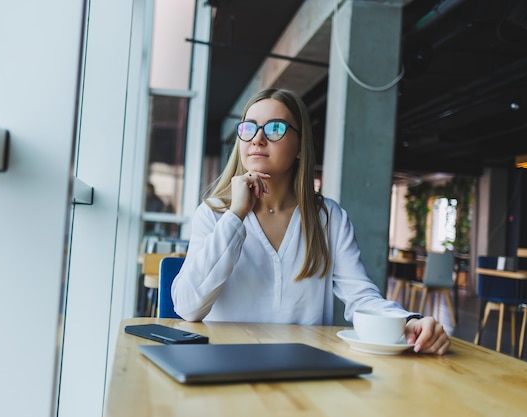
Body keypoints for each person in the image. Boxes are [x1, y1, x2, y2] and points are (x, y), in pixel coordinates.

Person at [171, 88, 450, 355]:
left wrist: (409, 322)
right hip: (225, 364)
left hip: (303, 369)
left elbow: (361, 297)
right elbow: (187, 307)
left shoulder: (329, 219)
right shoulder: (214, 214)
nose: (257, 139)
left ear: (300, 147)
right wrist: (236, 215)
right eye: (249, 128)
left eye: (275, 128)